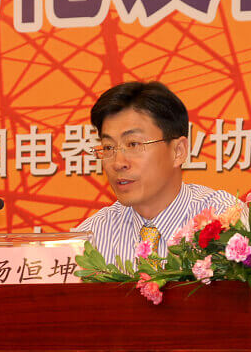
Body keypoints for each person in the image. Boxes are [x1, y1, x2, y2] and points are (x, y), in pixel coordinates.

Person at [74, 81, 240, 263]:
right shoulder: (89, 239)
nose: (118, 163)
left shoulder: (225, 220)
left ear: (178, 151)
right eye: (108, 147)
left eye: (133, 144)